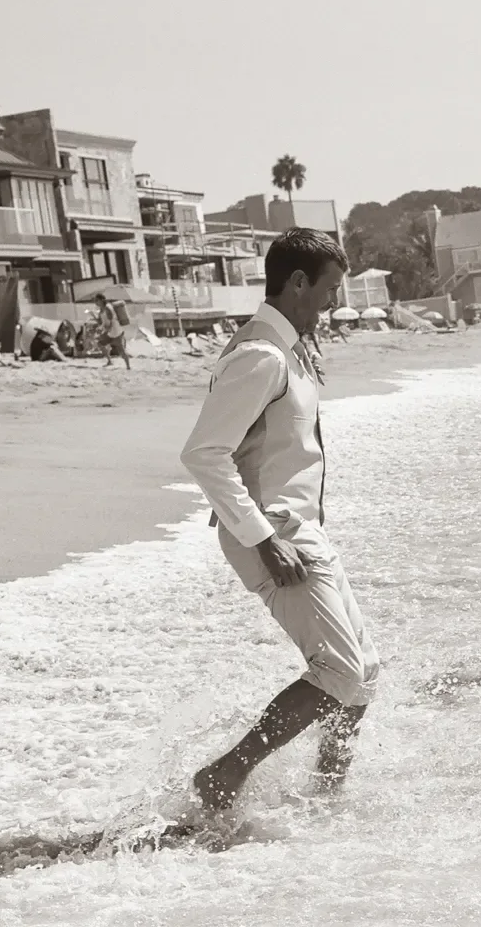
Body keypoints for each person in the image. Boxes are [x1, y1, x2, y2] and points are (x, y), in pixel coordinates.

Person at [180, 227, 379, 811]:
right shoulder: (260, 356)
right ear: (297, 283)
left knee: (363, 675)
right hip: (275, 534)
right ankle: (225, 774)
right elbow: (203, 454)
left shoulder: (286, 349)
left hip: (301, 530)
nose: (335, 303)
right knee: (339, 671)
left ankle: (326, 800)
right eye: (330, 289)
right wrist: (265, 540)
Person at [95, 294, 131, 370]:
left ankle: (128, 366)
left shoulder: (108, 307)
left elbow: (111, 320)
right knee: (100, 344)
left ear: (101, 300)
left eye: (97, 300)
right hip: (109, 332)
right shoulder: (101, 310)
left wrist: (105, 329)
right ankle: (109, 361)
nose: (95, 302)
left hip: (116, 331)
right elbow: (103, 322)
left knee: (121, 352)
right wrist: (100, 326)